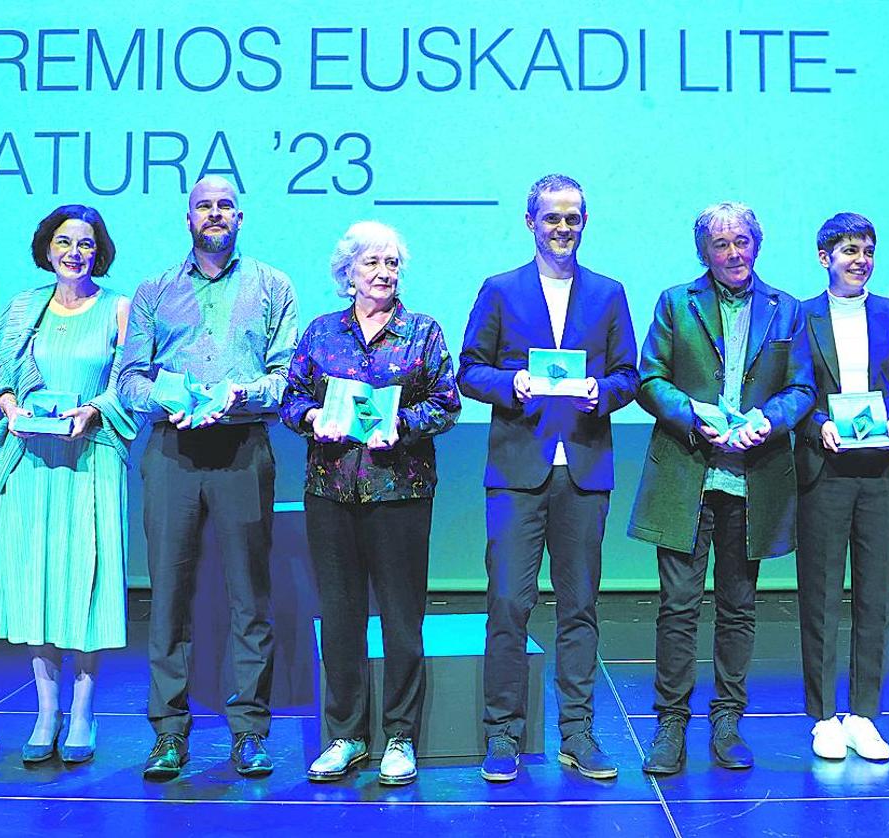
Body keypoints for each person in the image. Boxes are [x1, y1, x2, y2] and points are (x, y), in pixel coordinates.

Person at [458, 174, 639, 783]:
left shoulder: (609, 293)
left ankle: (578, 733)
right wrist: (512, 384)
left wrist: (601, 391)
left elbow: (628, 375)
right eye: (553, 218)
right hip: (517, 470)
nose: (564, 228)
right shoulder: (500, 290)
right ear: (529, 221)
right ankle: (501, 733)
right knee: (509, 602)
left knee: (580, 607)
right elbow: (470, 371)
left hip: (584, 470)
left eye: (573, 219)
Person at [118, 175, 298, 779]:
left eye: (225, 205)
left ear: (240, 217)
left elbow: (285, 377)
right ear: (187, 217)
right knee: (168, 595)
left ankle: (249, 730)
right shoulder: (153, 290)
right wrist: (169, 401)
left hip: (243, 445)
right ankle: (169, 733)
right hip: (172, 449)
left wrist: (239, 393)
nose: (214, 214)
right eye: (204, 206)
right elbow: (129, 378)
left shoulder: (273, 286)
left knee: (251, 594)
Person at [630, 201, 814, 775]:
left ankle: (728, 719)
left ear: (757, 244)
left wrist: (769, 421)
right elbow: (649, 377)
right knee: (678, 607)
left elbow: (802, 387)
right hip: (687, 474)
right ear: (704, 252)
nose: (734, 253)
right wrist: (692, 413)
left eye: (742, 242)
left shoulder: (786, 309)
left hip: (753, 479)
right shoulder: (674, 302)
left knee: (738, 607)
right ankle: (670, 723)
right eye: (721, 244)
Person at [280, 221, 460, 785]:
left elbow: (446, 403)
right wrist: (315, 419)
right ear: (348, 273)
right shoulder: (321, 333)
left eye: (392, 263)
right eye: (372, 263)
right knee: (340, 619)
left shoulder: (422, 332)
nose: (384, 273)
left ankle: (400, 736)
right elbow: (292, 400)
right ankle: (346, 734)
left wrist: (401, 425)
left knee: (402, 620)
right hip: (331, 492)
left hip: (399, 492)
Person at [0, 205, 135, 764]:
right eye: (65, 242)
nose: (75, 253)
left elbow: (129, 384)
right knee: (38, 585)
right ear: (47, 249)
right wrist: (9, 405)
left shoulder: (119, 308)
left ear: (100, 252)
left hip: (91, 460)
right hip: (33, 462)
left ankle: (82, 712)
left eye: (86, 244)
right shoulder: (24, 307)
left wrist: (95, 410)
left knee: (85, 584)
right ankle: (45, 712)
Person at [794, 213, 889, 761]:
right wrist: (820, 425)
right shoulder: (801, 316)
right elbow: (795, 391)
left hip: (880, 471)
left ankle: (865, 714)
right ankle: (822, 717)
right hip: (825, 470)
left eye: (867, 251)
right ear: (825, 257)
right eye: (849, 252)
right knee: (820, 596)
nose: (860, 261)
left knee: (874, 596)